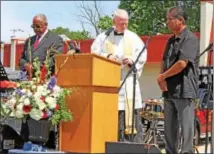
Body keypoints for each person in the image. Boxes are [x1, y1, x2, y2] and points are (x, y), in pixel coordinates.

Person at [91, 9, 147, 142]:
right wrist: (108, 56)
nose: (124, 26)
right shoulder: (103, 37)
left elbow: (142, 56)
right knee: (111, 122)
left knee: (130, 121)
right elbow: (94, 52)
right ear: (113, 21)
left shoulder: (133, 38)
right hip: (108, 84)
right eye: (121, 23)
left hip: (127, 82)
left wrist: (131, 61)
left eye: (126, 23)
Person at [157, 7, 199, 154]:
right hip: (169, 90)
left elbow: (182, 64)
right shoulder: (170, 40)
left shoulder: (190, 38)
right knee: (169, 126)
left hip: (184, 89)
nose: (167, 22)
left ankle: (187, 152)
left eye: (169, 19)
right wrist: (160, 77)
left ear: (180, 20)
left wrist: (163, 76)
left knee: (186, 127)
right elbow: (163, 59)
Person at [19, 13, 64, 79]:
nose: (35, 29)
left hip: (44, 80)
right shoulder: (29, 40)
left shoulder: (56, 39)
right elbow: (22, 58)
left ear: (46, 25)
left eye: (38, 26)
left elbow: (54, 59)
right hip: (27, 79)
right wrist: (25, 65)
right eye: (33, 26)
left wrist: (34, 67)